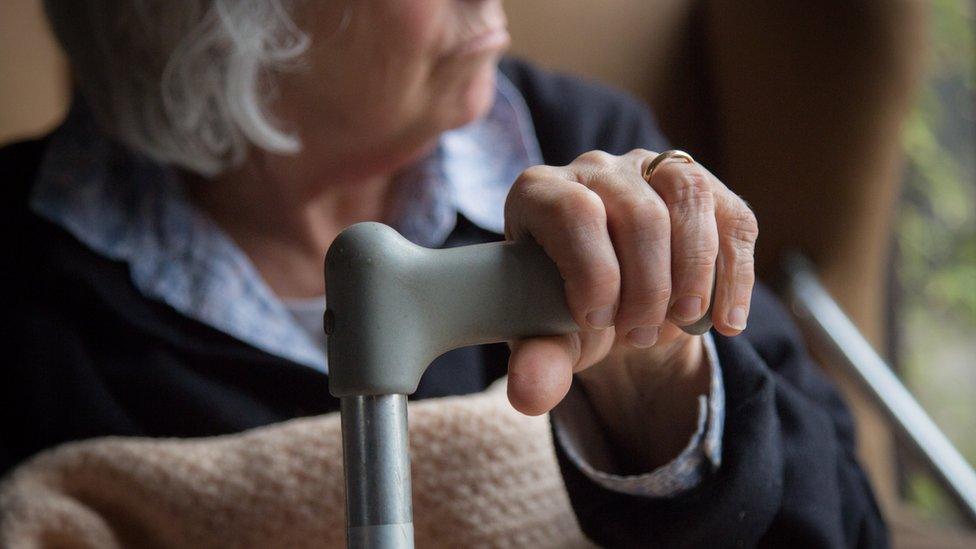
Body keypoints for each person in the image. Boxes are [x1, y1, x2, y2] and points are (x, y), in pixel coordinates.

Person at [0, 0, 886, 546]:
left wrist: (661, 387)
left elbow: (847, 525)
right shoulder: (29, 289)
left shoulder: (590, 149)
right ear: (213, 19)